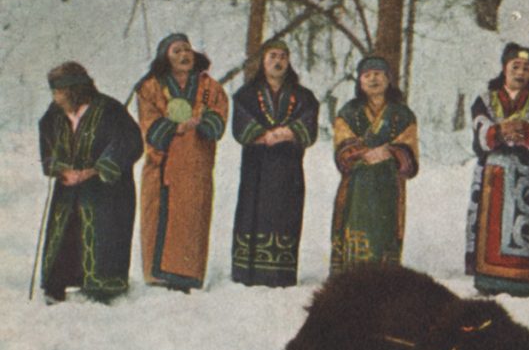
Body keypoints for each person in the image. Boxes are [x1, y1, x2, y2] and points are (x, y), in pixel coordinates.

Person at [37, 62, 143, 304]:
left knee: (104, 235)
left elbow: (130, 141)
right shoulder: (53, 114)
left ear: (74, 90)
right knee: (65, 234)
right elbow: (47, 145)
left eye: (58, 91)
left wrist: (97, 169)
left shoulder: (110, 110)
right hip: (69, 188)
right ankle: (57, 286)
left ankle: (103, 289)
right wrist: (61, 169)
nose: (55, 97)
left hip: (107, 190)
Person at [136, 33, 229, 292]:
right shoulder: (151, 87)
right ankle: (157, 277)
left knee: (192, 218)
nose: (184, 55)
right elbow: (149, 124)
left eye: (187, 50)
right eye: (176, 51)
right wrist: (175, 128)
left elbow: (218, 117)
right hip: (162, 166)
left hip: (196, 166)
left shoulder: (209, 87)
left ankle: (187, 276)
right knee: (158, 217)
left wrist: (204, 123)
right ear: (165, 57)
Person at [465, 43, 529, 297]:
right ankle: (487, 279)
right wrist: (498, 132)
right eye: (515, 66)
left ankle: (519, 281)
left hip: (524, 176)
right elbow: (479, 134)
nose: (521, 72)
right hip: (493, 175)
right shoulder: (485, 99)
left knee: (521, 226)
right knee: (490, 226)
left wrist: (526, 132)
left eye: (527, 68)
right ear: (504, 69)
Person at [230, 40, 319, 287]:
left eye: (282, 56)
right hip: (256, 166)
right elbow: (240, 124)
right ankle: (248, 273)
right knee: (253, 212)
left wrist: (288, 133)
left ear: (288, 61)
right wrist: (264, 135)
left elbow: (309, 123)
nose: (278, 61)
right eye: (272, 56)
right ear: (262, 61)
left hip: (287, 167)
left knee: (284, 212)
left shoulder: (303, 96)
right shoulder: (246, 94)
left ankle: (279, 273)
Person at [330, 56, 418, 273]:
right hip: (357, 185)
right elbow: (342, 147)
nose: (373, 79)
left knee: (384, 232)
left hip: (389, 185)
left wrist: (389, 151)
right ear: (360, 82)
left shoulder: (402, 115)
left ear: (388, 79)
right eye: (367, 75)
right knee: (355, 229)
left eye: (378, 74)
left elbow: (410, 152)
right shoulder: (348, 113)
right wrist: (364, 153)